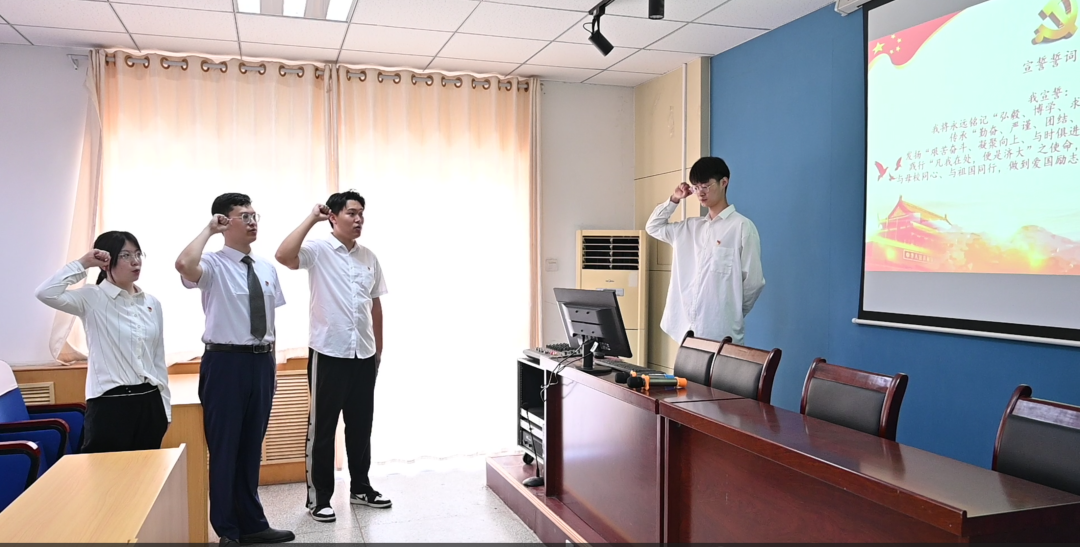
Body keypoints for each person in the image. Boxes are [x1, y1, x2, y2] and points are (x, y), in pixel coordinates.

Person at [175, 193, 294, 545]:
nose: (253, 221)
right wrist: (208, 230)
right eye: (245, 216)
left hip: (262, 361)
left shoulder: (266, 268)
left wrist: (271, 363)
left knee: (251, 446)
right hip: (226, 363)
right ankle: (227, 529)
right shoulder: (211, 264)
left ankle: (253, 523)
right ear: (225, 222)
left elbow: (270, 321)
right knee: (225, 448)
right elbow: (183, 264)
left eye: (255, 215)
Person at [275, 190, 390, 523]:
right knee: (323, 429)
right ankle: (319, 498)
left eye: (361, 214)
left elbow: (375, 305)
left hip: (364, 354)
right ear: (334, 217)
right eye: (352, 213)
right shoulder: (318, 251)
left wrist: (378, 350)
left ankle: (361, 488)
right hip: (329, 352)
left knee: (361, 426)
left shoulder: (369, 257)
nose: (358, 219)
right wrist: (312, 218)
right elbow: (283, 255)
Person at [35, 231, 170, 453]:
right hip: (109, 404)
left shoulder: (151, 303)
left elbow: (157, 358)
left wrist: (165, 410)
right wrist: (83, 263)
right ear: (106, 262)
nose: (135, 261)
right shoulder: (93, 297)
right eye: (126, 255)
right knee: (105, 473)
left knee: (146, 472)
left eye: (138, 254)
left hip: (150, 402)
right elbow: (45, 293)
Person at [645, 156, 765, 346]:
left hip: (721, 332)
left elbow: (754, 282)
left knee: (723, 368)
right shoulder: (690, 228)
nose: (700, 193)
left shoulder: (741, 227)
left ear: (724, 182)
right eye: (695, 187)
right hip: (684, 330)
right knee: (685, 368)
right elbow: (653, 227)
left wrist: (732, 311)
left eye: (705, 186)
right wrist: (675, 199)